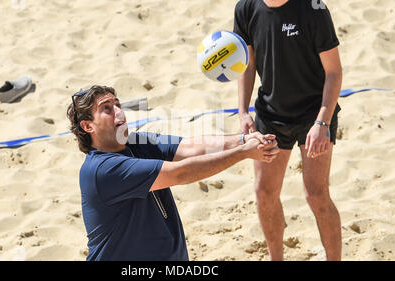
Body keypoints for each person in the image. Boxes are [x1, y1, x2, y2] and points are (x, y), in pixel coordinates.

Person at [67, 85, 279, 261]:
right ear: (87, 126)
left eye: (118, 104)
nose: (119, 112)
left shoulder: (138, 143)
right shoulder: (102, 170)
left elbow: (192, 148)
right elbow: (180, 173)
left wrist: (243, 140)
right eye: (107, 108)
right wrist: (243, 153)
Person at [234, 0, 343, 260]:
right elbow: (247, 65)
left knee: (316, 195)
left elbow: (334, 71)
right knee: (264, 194)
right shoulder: (246, 8)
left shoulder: (313, 8)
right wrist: (242, 111)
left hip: (314, 115)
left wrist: (322, 123)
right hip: (271, 116)